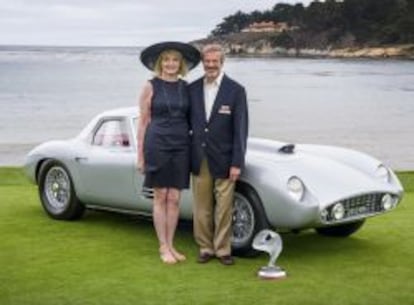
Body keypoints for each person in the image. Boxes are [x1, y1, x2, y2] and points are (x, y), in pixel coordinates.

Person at [137, 41, 200, 264]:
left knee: (174, 198)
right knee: (160, 196)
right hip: (157, 143)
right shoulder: (150, 86)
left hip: (181, 145)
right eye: (166, 60)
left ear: (180, 64)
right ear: (160, 63)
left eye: (175, 60)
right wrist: (140, 156)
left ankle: (171, 244)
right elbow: (143, 122)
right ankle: (162, 247)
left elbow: (195, 118)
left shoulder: (187, 87)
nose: (171, 63)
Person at [189, 44, 249, 265]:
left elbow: (240, 130)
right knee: (201, 207)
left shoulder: (236, 90)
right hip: (199, 157)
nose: (211, 65)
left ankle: (223, 249)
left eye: (215, 61)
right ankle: (205, 247)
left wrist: (237, 162)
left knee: (224, 207)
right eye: (207, 61)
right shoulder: (192, 89)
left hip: (225, 159)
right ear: (203, 62)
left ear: (222, 62)